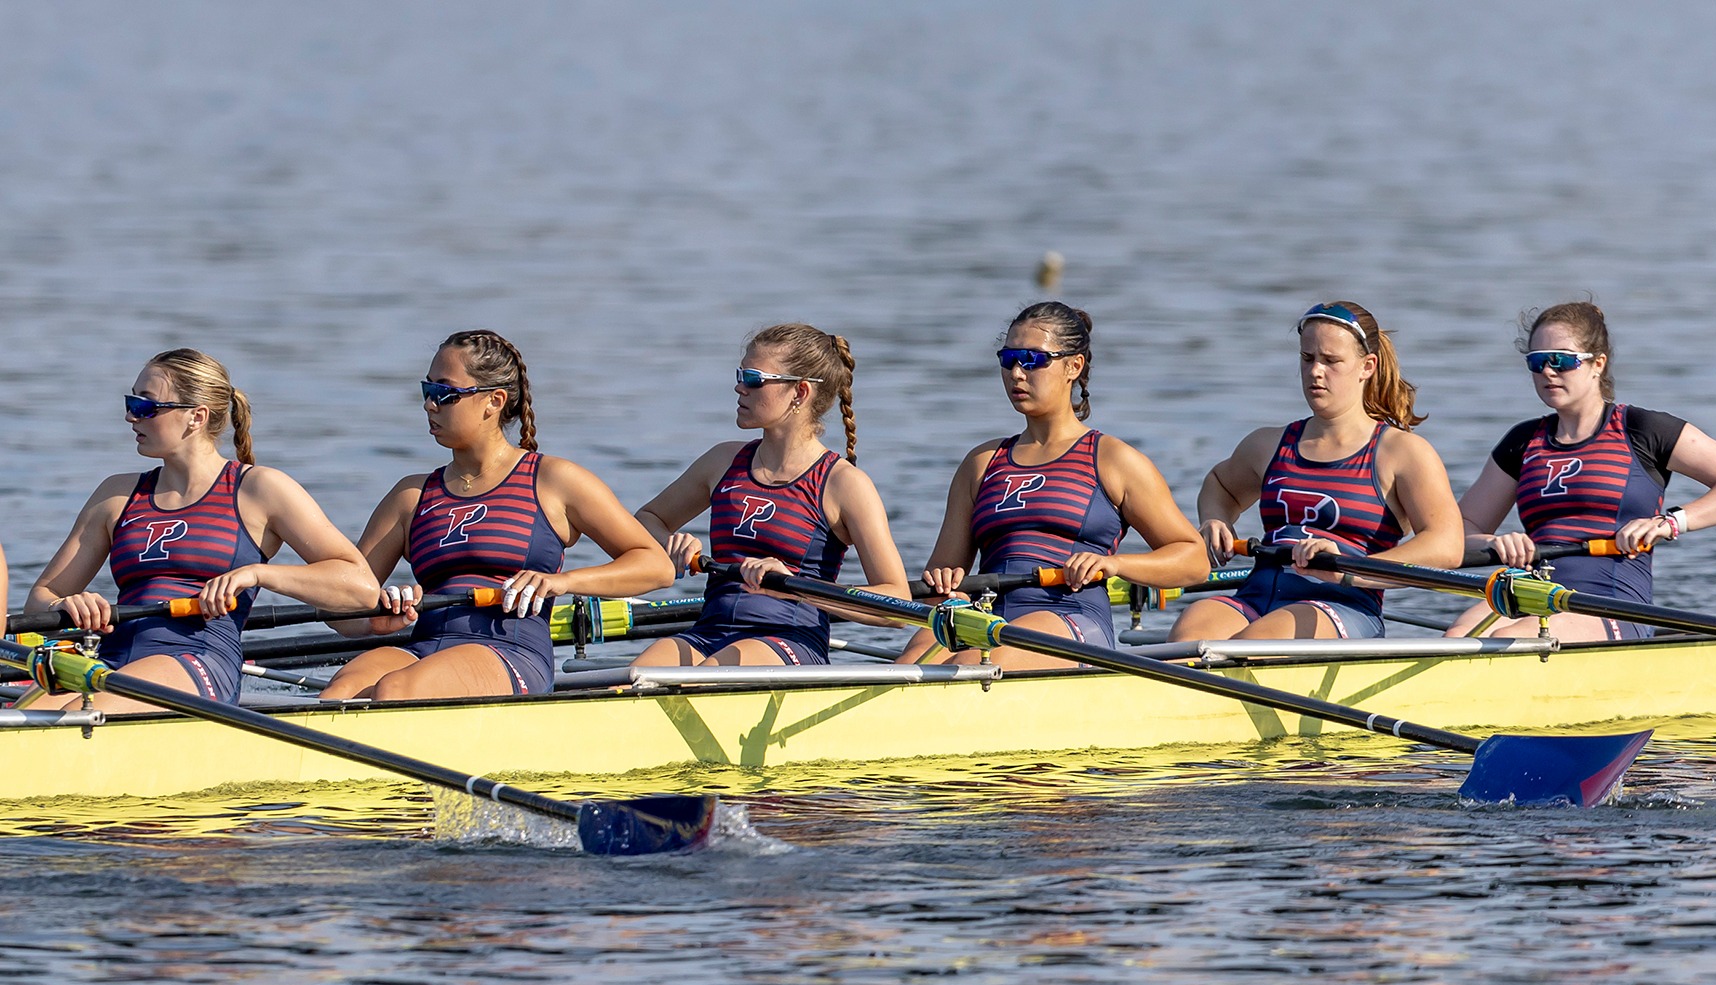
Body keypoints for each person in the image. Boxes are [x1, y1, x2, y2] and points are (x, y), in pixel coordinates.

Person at [321, 330, 674, 699]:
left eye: (445, 393)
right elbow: (340, 604)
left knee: (397, 688)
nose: (430, 404)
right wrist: (374, 619)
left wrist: (563, 582)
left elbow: (656, 566)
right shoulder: (410, 496)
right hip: (421, 649)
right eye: (427, 391)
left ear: (493, 401)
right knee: (339, 692)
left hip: (509, 655)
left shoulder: (554, 481)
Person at [26, 349, 375, 710]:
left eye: (145, 406)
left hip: (198, 662)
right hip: (109, 660)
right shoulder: (116, 494)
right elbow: (41, 597)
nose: (131, 416)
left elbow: (360, 589)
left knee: (82, 715)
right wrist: (66, 604)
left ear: (196, 416)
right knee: (21, 727)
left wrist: (258, 574)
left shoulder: (260, 489)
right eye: (130, 402)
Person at [901, 301, 1207, 669]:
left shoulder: (1112, 459)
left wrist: (1114, 565)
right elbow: (941, 581)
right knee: (910, 662)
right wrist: (944, 581)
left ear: (1073, 366)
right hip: (987, 617)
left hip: (1071, 618)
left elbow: (1194, 559)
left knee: (969, 663)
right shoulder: (981, 463)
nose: (1016, 373)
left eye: (1032, 360)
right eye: (1008, 358)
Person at [1447, 301, 1716, 640]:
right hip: (1531, 592)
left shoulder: (1643, 430)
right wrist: (1495, 542)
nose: (1547, 372)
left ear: (1597, 364)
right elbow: (1458, 533)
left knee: (1508, 639)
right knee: (1457, 636)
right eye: (1537, 362)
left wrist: (1671, 522)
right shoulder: (1522, 442)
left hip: (1611, 606)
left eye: (1561, 360)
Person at [1169, 301, 1463, 642]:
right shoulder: (1269, 444)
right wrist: (1215, 520)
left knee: (1256, 644)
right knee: (1189, 634)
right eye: (1307, 359)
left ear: (1367, 366)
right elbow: (1220, 484)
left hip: (1342, 605)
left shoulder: (1403, 453)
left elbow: (1447, 545)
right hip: (1256, 596)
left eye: (1331, 361)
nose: (1315, 372)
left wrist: (1351, 572)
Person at [632, 324, 908, 666]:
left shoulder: (844, 484)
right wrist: (672, 543)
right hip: (709, 632)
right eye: (740, 374)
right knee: (634, 679)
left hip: (788, 641)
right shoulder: (722, 461)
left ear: (800, 392)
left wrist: (795, 585)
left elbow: (896, 603)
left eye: (752, 378)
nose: (738, 387)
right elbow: (646, 520)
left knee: (708, 675)